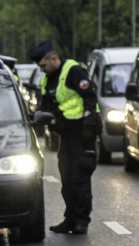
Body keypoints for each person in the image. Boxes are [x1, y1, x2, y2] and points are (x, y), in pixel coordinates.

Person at [29, 41, 99, 234]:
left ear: (53, 58)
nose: (41, 70)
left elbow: (90, 98)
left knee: (79, 177)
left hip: (82, 132)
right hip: (66, 135)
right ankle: (70, 218)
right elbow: (46, 106)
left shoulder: (74, 71)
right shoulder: (47, 79)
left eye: (43, 65)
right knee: (66, 178)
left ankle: (82, 220)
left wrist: (89, 126)